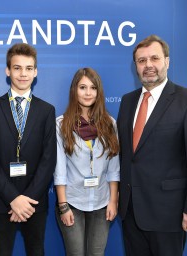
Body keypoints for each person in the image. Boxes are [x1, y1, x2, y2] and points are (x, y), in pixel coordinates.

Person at [117, 35, 187, 256]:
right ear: (136, 66)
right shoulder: (127, 101)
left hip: (169, 214)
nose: (148, 65)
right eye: (142, 61)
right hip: (131, 211)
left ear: (167, 62)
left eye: (154, 58)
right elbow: (127, 155)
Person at [0, 43, 56, 256]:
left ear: (36, 72)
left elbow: (48, 160)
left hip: (34, 202)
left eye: (29, 68)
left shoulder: (46, 111)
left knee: (36, 251)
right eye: (17, 68)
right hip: (1, 200)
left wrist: (26, 200)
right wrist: (13, 199)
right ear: (7, 71)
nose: (23, 74)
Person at [54, 67, 120, 256]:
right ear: (75, 90)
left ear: (99, 92)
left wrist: (113, 200)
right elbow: (59, 170)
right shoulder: (61, 124)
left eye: (93, 88)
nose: (88, 93)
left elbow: (114, 167)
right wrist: (63, 206)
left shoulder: (109, 123)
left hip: (102, 202)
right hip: (72, 202)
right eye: (83, 87)